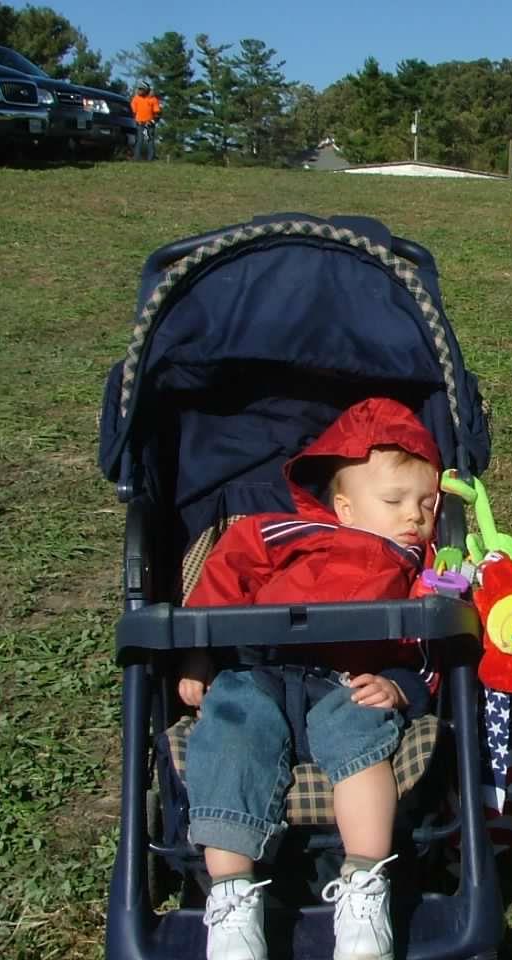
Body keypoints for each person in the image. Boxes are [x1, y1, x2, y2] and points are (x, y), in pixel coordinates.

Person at [177, 397, 442, 960]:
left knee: (362, 730)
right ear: (344, 507)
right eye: (394, 501)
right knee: (230, 733)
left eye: (427, 503)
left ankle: (365, 883)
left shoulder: (425, 569)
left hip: (350, 680)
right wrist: (199, 651)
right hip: (258, 667)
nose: (414, 516)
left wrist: (401, 686)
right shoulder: (291, 531)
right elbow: (230, 566)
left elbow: (430, 645)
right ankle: (231, 897)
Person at [130, 82, 161, 161]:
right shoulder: (136, 98)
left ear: (146, 90)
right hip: (139, 123)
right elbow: (133, 111)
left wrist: (152, 122)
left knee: (149, 141)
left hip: (149, 124)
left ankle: (151, 159)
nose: (139, 91)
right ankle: (136, 158)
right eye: (139, 89)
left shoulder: (153, 99)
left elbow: (157, 113)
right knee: (139, 140)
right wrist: (135, 120)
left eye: (141, 89)